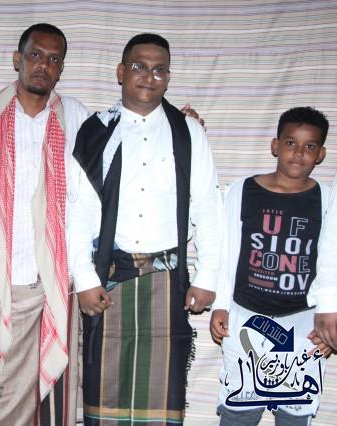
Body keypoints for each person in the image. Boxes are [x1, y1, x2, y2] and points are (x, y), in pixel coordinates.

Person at [68, 33, 223, 425]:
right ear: (121, 72)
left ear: (168, 78)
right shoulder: (94, 132)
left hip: (167, 280)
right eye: (139, 66)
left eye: (159, 70)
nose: (148, 76)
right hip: (109, 277)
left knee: (161, 393)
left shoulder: (189, 133)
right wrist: (84, 278)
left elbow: (207, 206)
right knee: (106, 391)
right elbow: (79, 210)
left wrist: (207, 277)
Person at [0, 23, 90, 425]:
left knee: (53, 402)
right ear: (17, 59)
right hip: (2, 286)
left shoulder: (77, 118)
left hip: (56, 286)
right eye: (36, 54)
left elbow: (119, 150)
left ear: (61, 69)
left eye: (54, 59)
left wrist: (181, 122)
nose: (44, 65)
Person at [210, 107, 333, 425]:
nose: (299, 153)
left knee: (294, 411)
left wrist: (327, 320)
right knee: (239, 410)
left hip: (302, 324)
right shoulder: (243, 190)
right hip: (245, 317)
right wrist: (220, 304)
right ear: (275, 145)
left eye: (309, 146)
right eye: (291, 143)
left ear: (320, 154)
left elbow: (332, 262)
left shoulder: (328, 199)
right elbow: (226, 249)